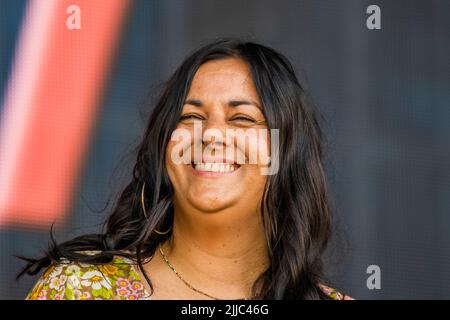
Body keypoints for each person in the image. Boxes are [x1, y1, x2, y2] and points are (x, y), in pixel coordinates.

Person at [20, 38, 352, 300]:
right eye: (190, 117)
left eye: (242, 119)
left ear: (286, 154)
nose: (209, 134)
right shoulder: (79, 290)